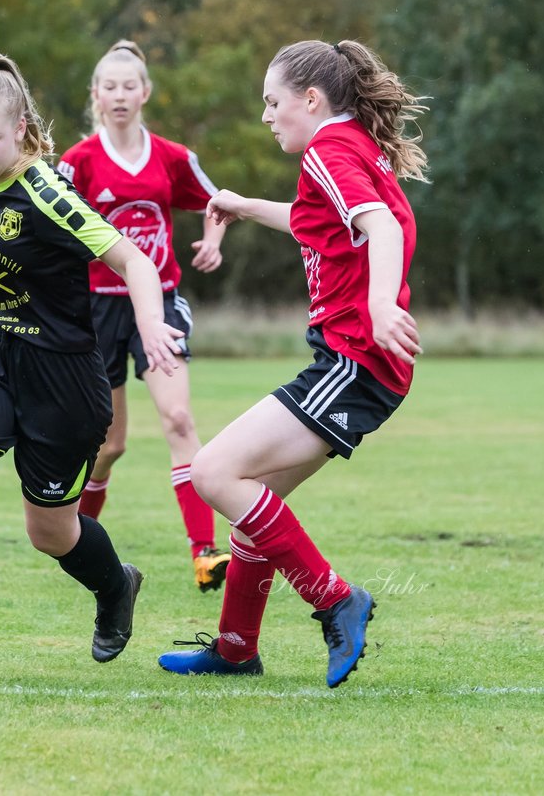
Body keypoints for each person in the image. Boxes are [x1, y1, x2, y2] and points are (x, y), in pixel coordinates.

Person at [0, 52, 184, 684]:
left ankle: (115, 587)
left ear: (20, 127)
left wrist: (153, 324)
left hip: (61, 378)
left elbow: (132, 260)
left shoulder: (48, 192)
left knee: (51, 533)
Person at [157, 38, 429, 687]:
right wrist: (245, 206)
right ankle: (235, 648)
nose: (266, 115)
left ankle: (336, 599)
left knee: (215, 472)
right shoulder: (348, 148)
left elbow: (383, 230)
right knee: (259, 500)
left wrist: (381, 304)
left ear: (310, 99)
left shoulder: (330, 151)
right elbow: (323, 225)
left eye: (272, 102)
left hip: (355, 359)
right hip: (359, 363)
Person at [56, 40, 232, 593]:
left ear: (145, 93)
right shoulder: (79, 162)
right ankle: (79, 544)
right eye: (109, 86)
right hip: (97, 311)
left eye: (129, 86)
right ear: (96, 96)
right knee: (109, 446)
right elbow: (51, 224)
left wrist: (212, 241)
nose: (120, 95)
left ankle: (205, 554)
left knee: (179, 421)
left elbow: (217, 201)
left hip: (159, 305)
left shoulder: (171, 157)